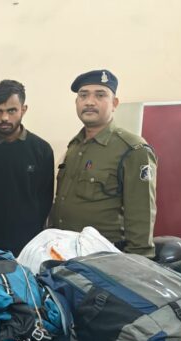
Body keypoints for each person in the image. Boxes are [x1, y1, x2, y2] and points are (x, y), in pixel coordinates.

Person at [50, 69, 157, 257]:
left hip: (104, 257)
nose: (89, 102)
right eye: (83, 95)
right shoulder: (74, 146)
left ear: (114, 103)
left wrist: (138, 263)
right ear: (77, 102)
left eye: (100, 95)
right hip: (64, 252)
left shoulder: (133, 149)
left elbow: (141, 214)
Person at [0, 80, 54, 256]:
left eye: (11, 110)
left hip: (28, 245)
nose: (4, 118)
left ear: (23, 109)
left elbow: (44, 199)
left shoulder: (41, 149)